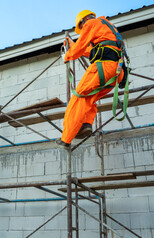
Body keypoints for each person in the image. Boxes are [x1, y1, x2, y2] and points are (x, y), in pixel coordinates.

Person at [56, 10, 126, 149]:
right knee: (89, 98)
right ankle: (85, 125)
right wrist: (72, 44)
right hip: (117, 73)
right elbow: (89, 50)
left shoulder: (91, 23)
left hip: (103, 68)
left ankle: (66, 139)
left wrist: (67, 56)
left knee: (78, 98)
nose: (82, 30)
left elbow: (80, 49)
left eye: (81, 28)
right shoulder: (108, 26)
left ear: (84, 21)